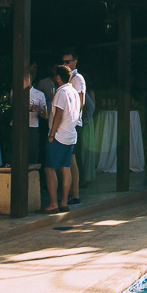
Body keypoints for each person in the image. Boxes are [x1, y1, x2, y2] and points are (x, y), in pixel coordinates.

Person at [43, 64, 80, 214]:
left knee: (50, 168)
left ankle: (53, 203)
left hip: (59, 135)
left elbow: (58, 113)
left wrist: (52, 134)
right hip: (71, 134)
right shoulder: (74, 92)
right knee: (66, 168)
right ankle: (64, 202)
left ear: (58, 77)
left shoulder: (61, 92)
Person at [58, 51, 87, 204]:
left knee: (72, 159)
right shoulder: (69, 80)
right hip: (69, 123)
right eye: (63, 62)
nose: (65, 65)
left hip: (74, 123)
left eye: (68, 62)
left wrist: (73, 118)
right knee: (68, 159)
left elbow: (81, 101)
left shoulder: (77, 78)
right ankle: (70, 193)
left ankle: (75, 194)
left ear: (75, 62)